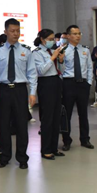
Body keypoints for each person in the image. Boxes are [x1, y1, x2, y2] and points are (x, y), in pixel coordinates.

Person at [0, 18, 37, 169]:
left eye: (18, 31)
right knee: (4, 125)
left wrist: (32, 93)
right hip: (3, 90)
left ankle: (22, 157)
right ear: (5, 32)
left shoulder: (26, 51)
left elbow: (32, 73)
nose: (15, 34)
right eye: (12, 31)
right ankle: (4, 157)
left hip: (20, 90)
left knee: (22, 124)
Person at [59, 25, 94, 151]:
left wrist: (88, 83)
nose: (77, 36)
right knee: (66, 114)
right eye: (74, 34)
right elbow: (60, 70)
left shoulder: (85, 50)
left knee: (83, 114)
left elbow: (89, 67)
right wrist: (61, 61)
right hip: (68, 84)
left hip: (82, 84)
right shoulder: (63, 50)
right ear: (68, 36)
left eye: (79, 33)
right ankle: (66, 140)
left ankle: (85, 139)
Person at [33, 29, 65, 160]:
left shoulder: (52, 51)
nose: (53, 42)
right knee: (47, 118)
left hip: (56, 81)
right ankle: (45, 149)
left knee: (56, 117)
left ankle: (54, 147)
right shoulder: (37, 53)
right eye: (50, 39)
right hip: (46, 83)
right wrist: (52, 58)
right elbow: (41, 71)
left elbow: (60, 70)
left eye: (53, 39)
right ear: (42, 39)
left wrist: (61, 61)